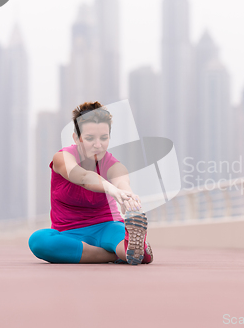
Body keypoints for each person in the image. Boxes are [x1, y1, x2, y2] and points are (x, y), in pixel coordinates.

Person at [28, 101, 153, 265]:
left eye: (104, 138)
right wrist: (112, 190)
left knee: (121, 238)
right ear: (76, 138)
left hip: (107, 226)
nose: (98, 145)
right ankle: (115, 255)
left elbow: (122, 180)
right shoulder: (63, 158)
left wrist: (126, 196)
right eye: (89, 138)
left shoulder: (113, 164)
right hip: (68, 233)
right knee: (38, 241)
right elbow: (83, 177)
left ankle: (132, 250)